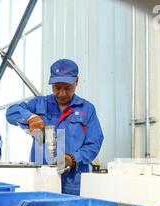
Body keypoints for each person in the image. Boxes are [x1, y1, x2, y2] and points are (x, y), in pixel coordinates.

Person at [6, 59, 104, 195]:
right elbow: (11, 112)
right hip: (41, 180)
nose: (62, 93)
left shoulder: (87, 109)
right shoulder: (39, 104)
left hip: (73, 184)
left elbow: (94, 142)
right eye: (57, 88)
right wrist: (30, 117)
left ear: (77, 81)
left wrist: (73, 159)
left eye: (67, 88)